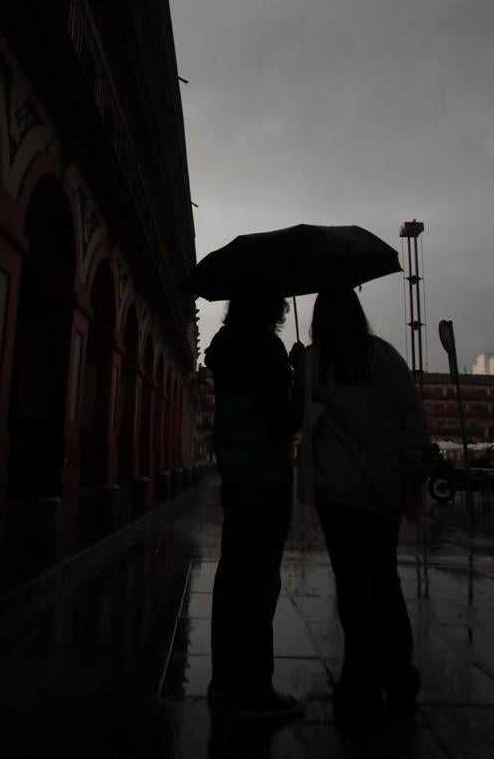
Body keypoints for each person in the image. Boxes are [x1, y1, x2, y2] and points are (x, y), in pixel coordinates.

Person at [292, 287, 432, 730]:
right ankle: (400, 679)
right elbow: (413, 423)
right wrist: (412, 482)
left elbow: (298, 420)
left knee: (353, 588)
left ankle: (360, 684)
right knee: (385, 581)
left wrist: (298, 371)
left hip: (339, 496)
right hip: (382, 493)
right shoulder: (387, 358)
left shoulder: (316, 363)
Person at [204, 292, 304, 720]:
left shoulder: (225, 346)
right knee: (260, 582)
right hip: (266, 472)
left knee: (232, 577)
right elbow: (281, 418)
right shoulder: (265, 349)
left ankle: (224, 681)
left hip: (236, 471)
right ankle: (255, 688)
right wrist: (297, 378)